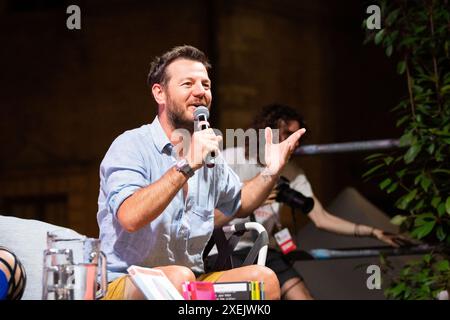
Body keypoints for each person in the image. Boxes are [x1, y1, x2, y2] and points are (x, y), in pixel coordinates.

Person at [96, 46, 306, 300]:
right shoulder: (131, 145)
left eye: (205, 85)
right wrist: (187, 165)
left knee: (264, 280)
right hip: (126, 281)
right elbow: (130, 217)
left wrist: (270, 171)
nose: (200, 92)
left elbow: (239, 201)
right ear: (159, 93)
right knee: (177, 280)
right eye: (188, 84)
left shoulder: (209, 154)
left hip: (190, 281)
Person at [213, 103, 410, 300]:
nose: (294, 141)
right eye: (288, 133)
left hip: (265, 248)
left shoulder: (292, 172)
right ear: (268, 131)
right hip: (227, 248)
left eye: (299, 136)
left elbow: (322, 218)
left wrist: (374, 232)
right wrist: (251, 192)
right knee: (253, 298)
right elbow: (204, 207)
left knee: (303, 297)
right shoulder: (231, 158)